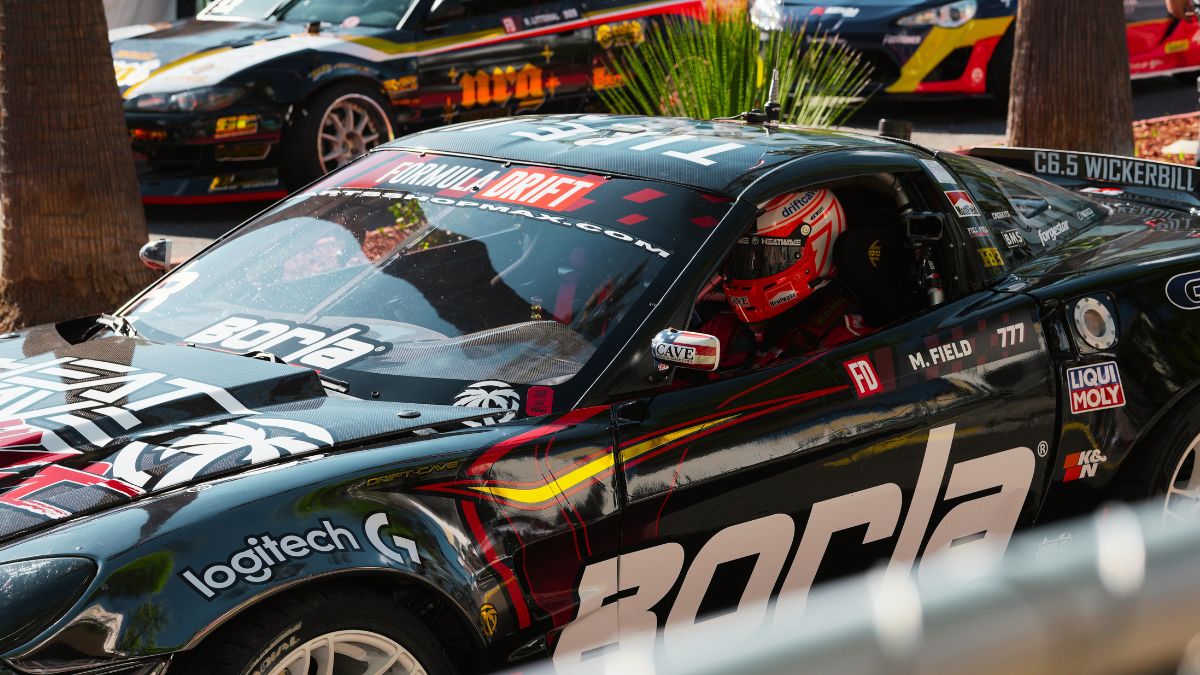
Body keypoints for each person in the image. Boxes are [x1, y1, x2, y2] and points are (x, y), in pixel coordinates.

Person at [699, 188, 873, 371]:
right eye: (739, 258)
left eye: (769, 258)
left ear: (819, 247)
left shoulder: (846, 343)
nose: (744, 271)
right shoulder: (723, 327)